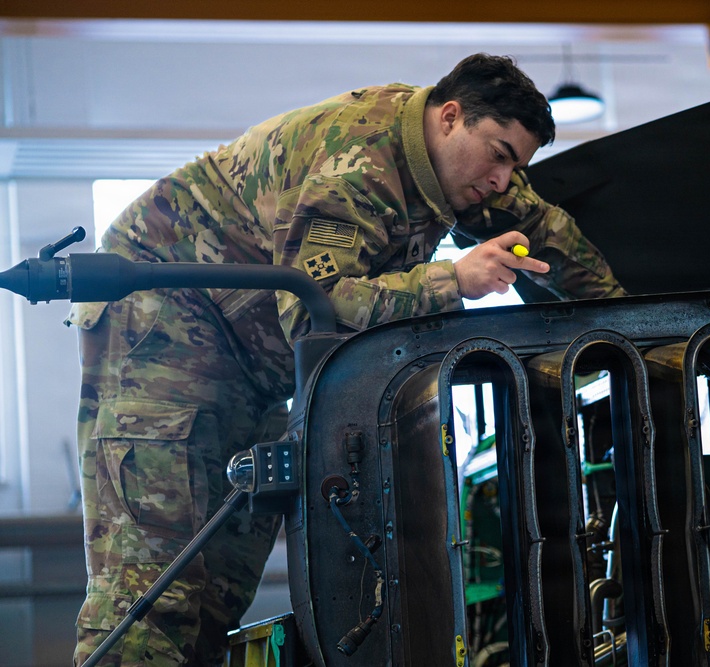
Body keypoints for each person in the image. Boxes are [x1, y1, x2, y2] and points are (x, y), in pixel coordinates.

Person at [68, 52, 626, 666]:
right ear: (449, 117)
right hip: (161, 320)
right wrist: (451, 281)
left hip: (252, 365)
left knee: (218, 594)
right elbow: (312, 310)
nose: (502, 179)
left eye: (516, 163)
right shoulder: (355, 163)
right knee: (153, 590)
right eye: (499, 155)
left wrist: (628, 326)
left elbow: (547, 232)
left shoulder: (464, 166)